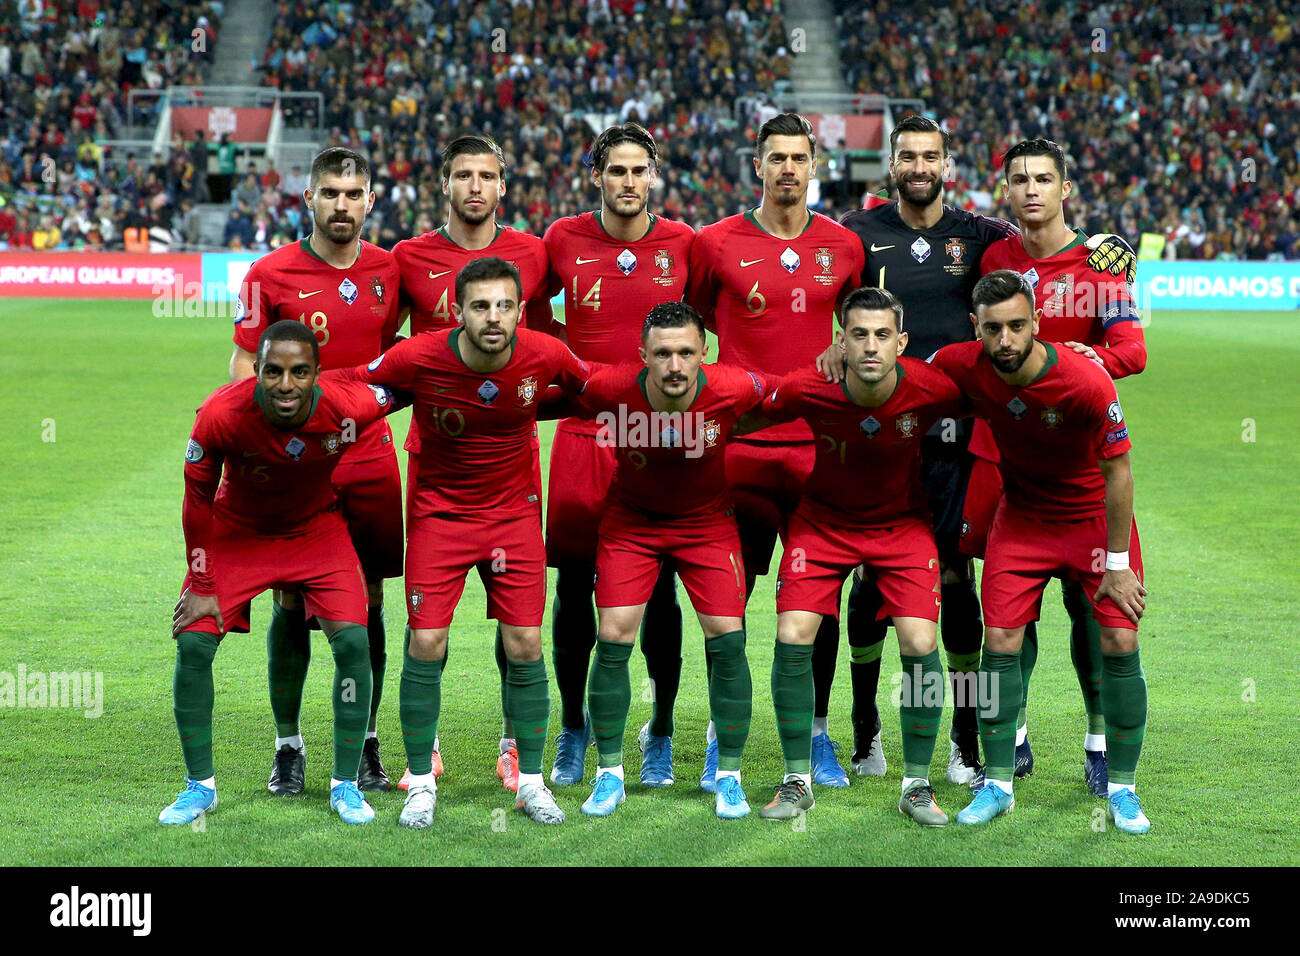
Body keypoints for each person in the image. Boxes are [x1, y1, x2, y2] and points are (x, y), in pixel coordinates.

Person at [833, 115, 1137, 788]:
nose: (919, 165)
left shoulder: (992, 240)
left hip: (994, 450)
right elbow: (832, 304)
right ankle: (889, 736)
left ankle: (1020, 744)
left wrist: (1109, 262)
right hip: (921, 443)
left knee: (986, 595)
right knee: (891, 590)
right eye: (907, 155)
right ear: (892, 165)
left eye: (930, 155)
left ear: (950, 166)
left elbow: (1107, 309)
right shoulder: (869, 235)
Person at [349, 257, 591, 828]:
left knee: (526, 644)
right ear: (457, 311)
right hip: (439, 517)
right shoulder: (420, 354)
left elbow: (593, 385)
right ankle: (420, 783)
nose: (493, 317)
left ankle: (530, 783)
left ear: (522, 311)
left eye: (505, 305)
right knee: (427, 641)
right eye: (480, 306)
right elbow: (355, 381)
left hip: (514, 516)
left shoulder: (545, 353)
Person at [161, 321, 407, 827]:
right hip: (239, 532)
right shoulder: (220, 414)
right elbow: (197, 502)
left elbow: (408, 383)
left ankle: (344, 785)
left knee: (354, 643)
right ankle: (199, 788)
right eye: (273, 371)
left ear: (318, 373)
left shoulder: (349, 404)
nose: (286, 384)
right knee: (193, 640)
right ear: (257, 371)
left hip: (317, 532)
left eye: (299, 372)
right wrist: (203, 586)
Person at [930, 270, 1150, 834]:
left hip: (1091, 521)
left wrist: (1119, 564)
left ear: (1037, 324)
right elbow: (906, 382)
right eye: (993, 328)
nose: (1005, 339)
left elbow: (1119, 471)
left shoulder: (1086, 382)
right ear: (974, 327)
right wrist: (841, 356)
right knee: (999, 639)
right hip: (1023, 518)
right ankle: (998, 783)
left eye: (1017, 326)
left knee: (1120, 638)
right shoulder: (961, 363)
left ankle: (1122, 788)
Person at [686, 112, 864, 790]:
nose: (788, 168)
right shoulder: (714, 243)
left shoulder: (844, 247)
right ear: (755, 165)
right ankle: (720, 735)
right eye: (776, 158)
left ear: (814, 164)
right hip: (737, 449)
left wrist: (843, 348)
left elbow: (865, 328)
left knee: (819, 600)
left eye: (799, 157)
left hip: (820, 452)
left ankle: (815, 735)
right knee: (724, 597)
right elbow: (692, 328)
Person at [752, 287, 964, 825]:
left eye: (883, 335)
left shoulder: (930, 387)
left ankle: (917, 784)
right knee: (793, 631)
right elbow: (740, 415)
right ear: (840, 341)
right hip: (823, 525)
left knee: (920, 640)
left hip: (902, 527)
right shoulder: (810, 388)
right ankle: (797, 778)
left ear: (902, 343)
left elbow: (997, 393)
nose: (871, 347)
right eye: (859, 335)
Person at [228, 147, 403, 796]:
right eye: (330, 192)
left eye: (353, 193)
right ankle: (288, 747)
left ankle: (365, 743)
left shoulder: (390, 269)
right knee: (291, 596)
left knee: (372, 600)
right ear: (308, 199)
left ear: (369, 200)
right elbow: (244, 371)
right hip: (298, 466)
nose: (341, 204)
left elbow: (404, 354)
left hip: (371, 460)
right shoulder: (269, 273)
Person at [974, 137, 1147, 793]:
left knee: (1092, 611)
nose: (1032, 189)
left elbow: (1131, 349)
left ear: (1065, 188)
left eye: (1044, 177)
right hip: (1004, 459)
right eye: (1019, 179)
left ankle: (1100, 741)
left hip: (1080, 464)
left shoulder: (1101, 264)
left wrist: (1077, 367)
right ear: (1008, 193)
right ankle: (1011, 734)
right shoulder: (995, 257)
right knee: (1012, 618)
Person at [390, 134, 556, 793]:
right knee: (428, 615)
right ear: (445, 185)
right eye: (464, 175)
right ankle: (422, 747)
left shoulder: (532, 255)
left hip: (513, 466)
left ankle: (515, 745)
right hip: (433, 463)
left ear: (504, 186)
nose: (476, 187)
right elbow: (387, 357)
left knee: (516, 616)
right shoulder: (409, 258)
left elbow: (543, 352)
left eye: (487, 176)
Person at [554, 302, 762, 818]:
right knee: (615, 635)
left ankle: (729, 774)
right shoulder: (609, 388)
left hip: (708, 525)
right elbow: (546, 381)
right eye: (663, 353)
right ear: (642, 354)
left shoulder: (733, 387)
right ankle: (609, 774)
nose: (674, 365)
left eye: (686, 352)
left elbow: (794, 392)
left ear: (703, 354)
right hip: (631, 525)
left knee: (728, 638)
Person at [541, 122, 695, 788]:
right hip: (584, 436)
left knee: (659, 591)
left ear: (653, 176)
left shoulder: (685, 245)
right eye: (617, 171)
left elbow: (720, 323)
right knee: (574, 589)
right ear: (596, 176)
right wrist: (565, 365)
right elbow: (525, 314)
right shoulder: (562, 239)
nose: (628, 182)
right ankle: (573, 729)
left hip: (658, 438)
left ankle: (658, 731)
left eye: (640, 171)